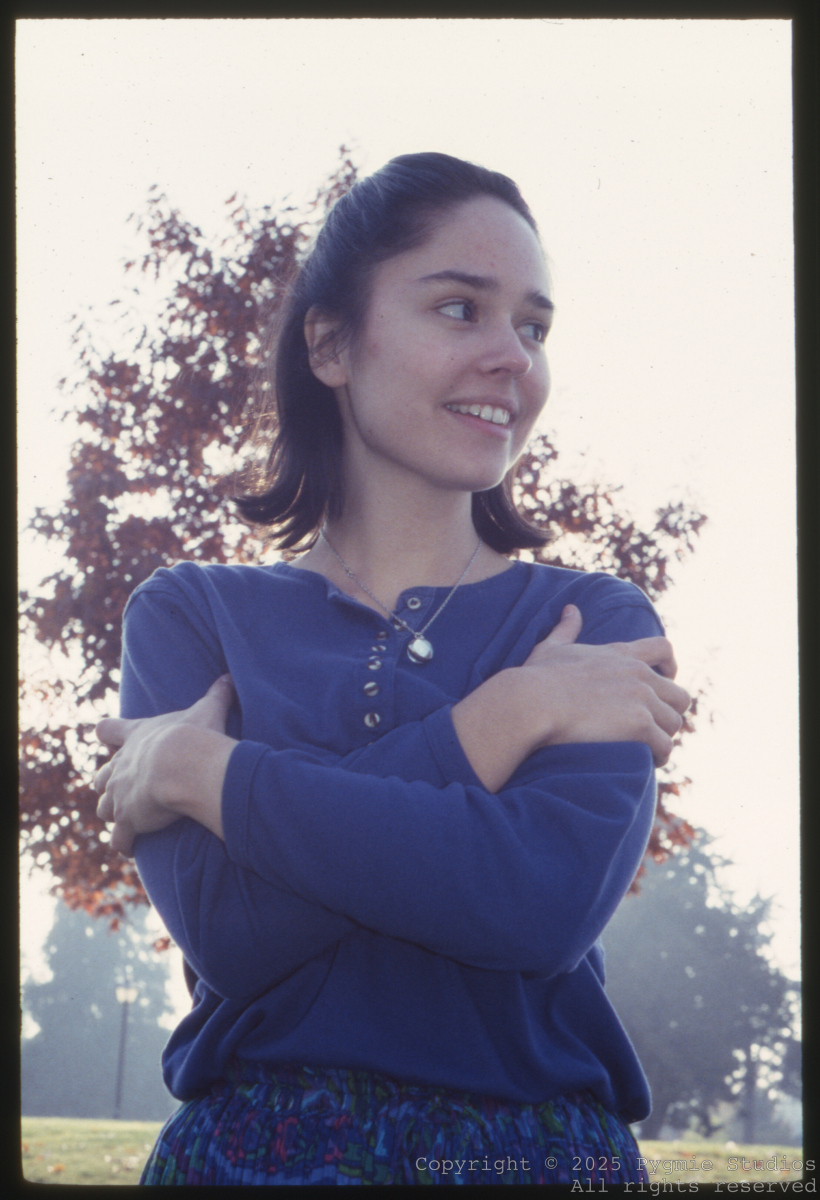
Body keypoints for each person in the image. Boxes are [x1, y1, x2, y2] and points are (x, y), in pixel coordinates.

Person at [93, 152, 690, 1186]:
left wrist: (206, 774)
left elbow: (535, 906)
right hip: (251, 1161)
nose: (513, 358)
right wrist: (506, 719)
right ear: (329, 343)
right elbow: (233, 935)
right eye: (461, 309)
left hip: (536, 1162)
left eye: (534, 328)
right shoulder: (191, 616)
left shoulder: (593, 624)